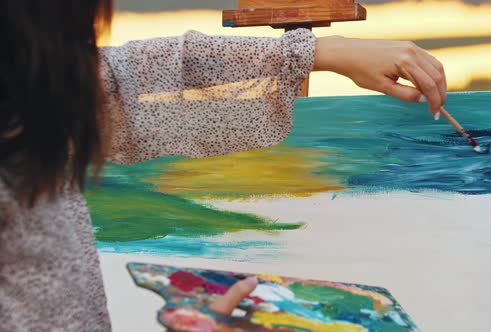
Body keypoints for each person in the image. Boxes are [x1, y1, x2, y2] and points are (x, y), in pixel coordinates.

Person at [0, 0, 446, 330]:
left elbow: (134, 74)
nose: (90, 47)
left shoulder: (30, 102)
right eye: (81, 29)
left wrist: (317, 53)